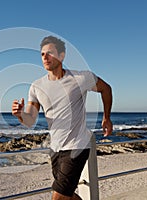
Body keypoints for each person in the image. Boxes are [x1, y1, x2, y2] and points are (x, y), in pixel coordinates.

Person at [12, 35, 113, 200]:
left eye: (50, 53)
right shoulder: (36, 87)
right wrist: (20, 115)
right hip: (55, 148)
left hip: (77, 146)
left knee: (58, 197)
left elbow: (106, 89)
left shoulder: (81, 78)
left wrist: (106, 117)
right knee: (68, 195)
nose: (45, 57)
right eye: (42, 54)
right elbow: (30, 120)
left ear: (61, 55)